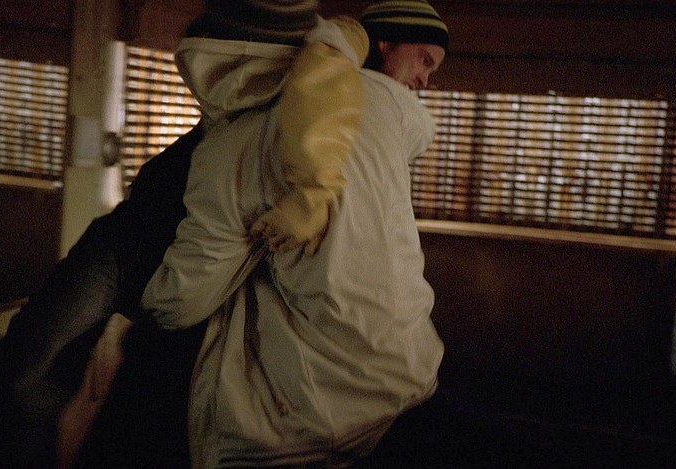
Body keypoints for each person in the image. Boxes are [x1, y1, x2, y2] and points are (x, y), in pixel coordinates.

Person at [0, 0, 451, 467]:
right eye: (424, 61)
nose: (425, 80)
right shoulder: (306, 80)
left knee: (126, 391)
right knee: (30, 365)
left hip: (187, 279)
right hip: (130, 246)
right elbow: (329, 59)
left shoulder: (335, 104)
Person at [132, 0, 450, 466]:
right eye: (424, 60)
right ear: (383, 43)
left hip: (309, 402)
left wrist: (143, 304)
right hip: (412, 362)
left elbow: (182, 299)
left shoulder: (238, 142)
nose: (424, 81)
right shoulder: (389, 118)